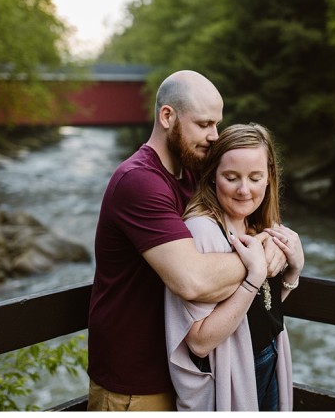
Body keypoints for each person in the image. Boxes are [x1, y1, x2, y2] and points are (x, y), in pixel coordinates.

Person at [87, 71, 287, 411]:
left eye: (217, 124)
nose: (214, 136)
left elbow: (248, 213)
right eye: (204, 124)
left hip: (187, 375)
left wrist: (273, 243)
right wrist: (262, 256)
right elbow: (192, 281)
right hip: (135, 382)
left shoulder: (194, 173)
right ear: (168, 117)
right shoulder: (139, 182)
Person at [164, 123, 304, 411]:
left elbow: (260, 308)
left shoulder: (256, 223)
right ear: (213, 177)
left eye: (255, 177)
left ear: (269, 178)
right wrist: (253, 277)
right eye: (231, 177)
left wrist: (293, 271)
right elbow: (200, 341)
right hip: (235, 371)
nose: (244, 190)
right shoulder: (201, 231)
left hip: (269, 358)